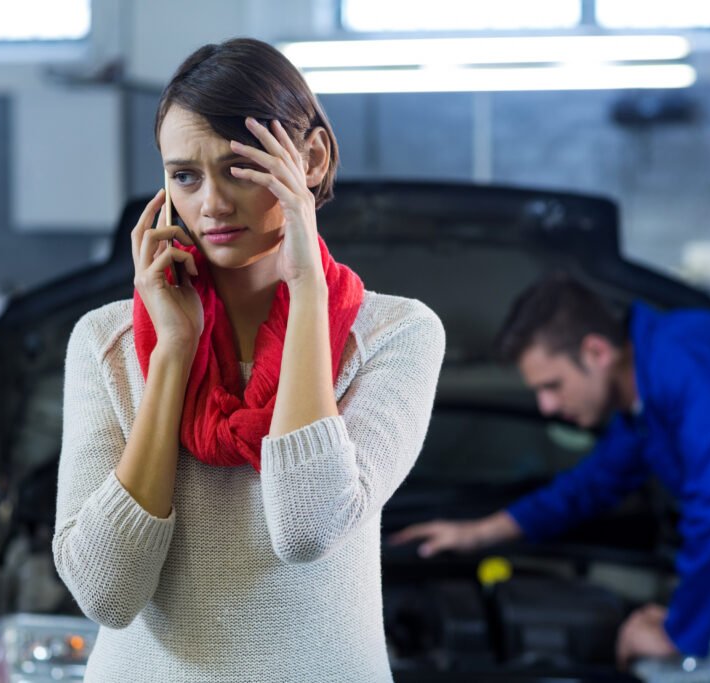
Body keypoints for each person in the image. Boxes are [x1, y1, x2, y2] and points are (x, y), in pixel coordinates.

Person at [52, 38, 445, 682]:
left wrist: (308, 292)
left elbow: (305, 526)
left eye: (238, 166)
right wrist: (173, 354)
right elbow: (107, 592)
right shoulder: (106, 340)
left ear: (311, 158)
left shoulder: (398, 333)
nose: (210, 202)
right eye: (184, 175)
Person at [391, 273, 710, 681]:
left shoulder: (685, 357)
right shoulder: (645, 408)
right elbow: (586, 489)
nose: (546, 408)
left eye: (552, 386)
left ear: (595, 351)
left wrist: (677, 632)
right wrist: (478, 533)